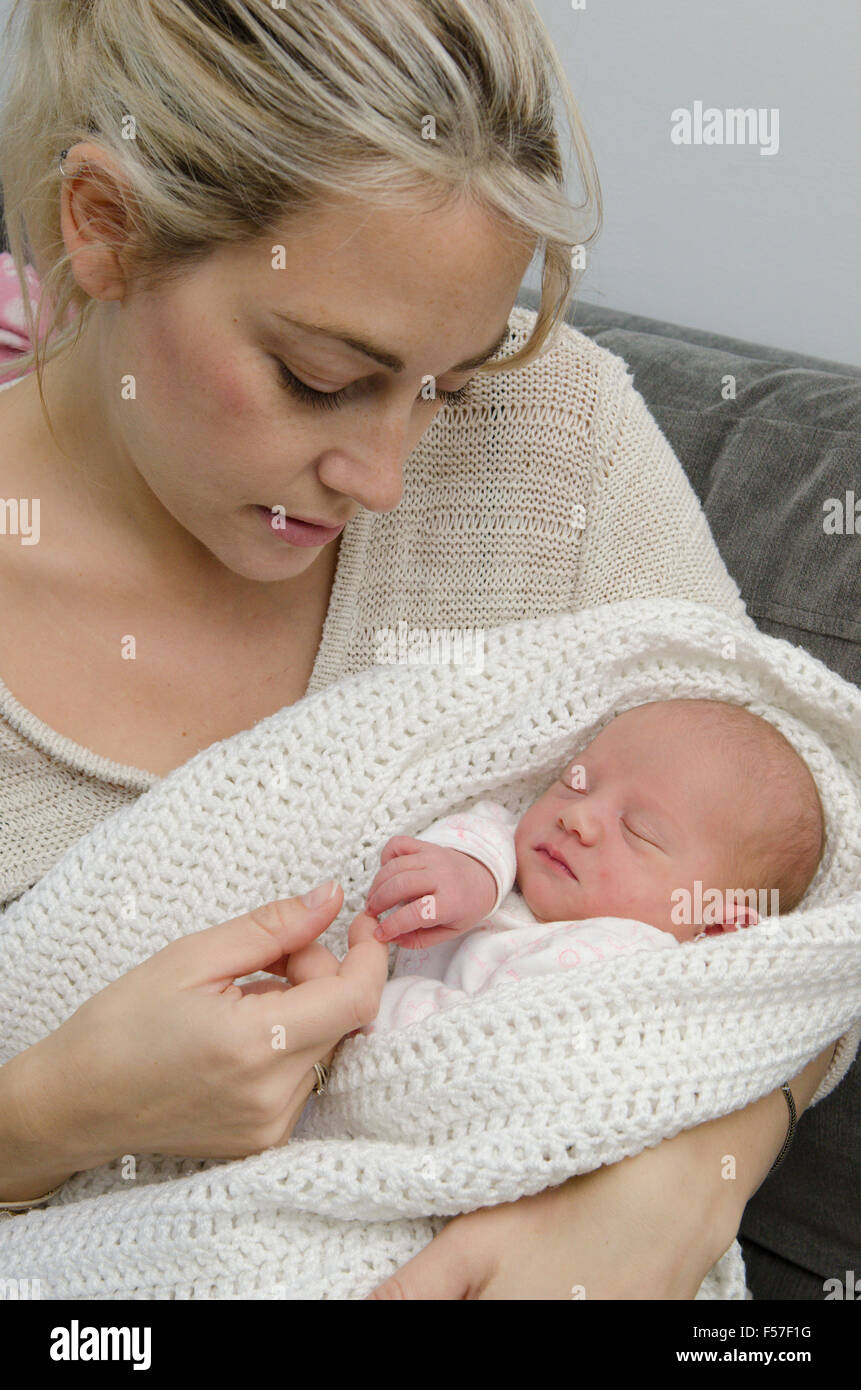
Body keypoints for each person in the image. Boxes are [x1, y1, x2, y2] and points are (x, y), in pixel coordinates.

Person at [0, 0, 845, 1299]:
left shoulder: (549, 435)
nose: (388, 475)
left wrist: (685, 1177)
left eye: (443, 381)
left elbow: (803, 904)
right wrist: (51, 1112)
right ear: (103, 229)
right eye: (323, 377)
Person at [360, 698, 826, 1033]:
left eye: (639, 831)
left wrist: (354, 1003)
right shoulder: (519, 854)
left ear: (719, 927)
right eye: (576, 784)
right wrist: (473, 873)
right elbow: (490, 828)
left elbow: (466, 1036)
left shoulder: (620, 961)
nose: (577, 817)